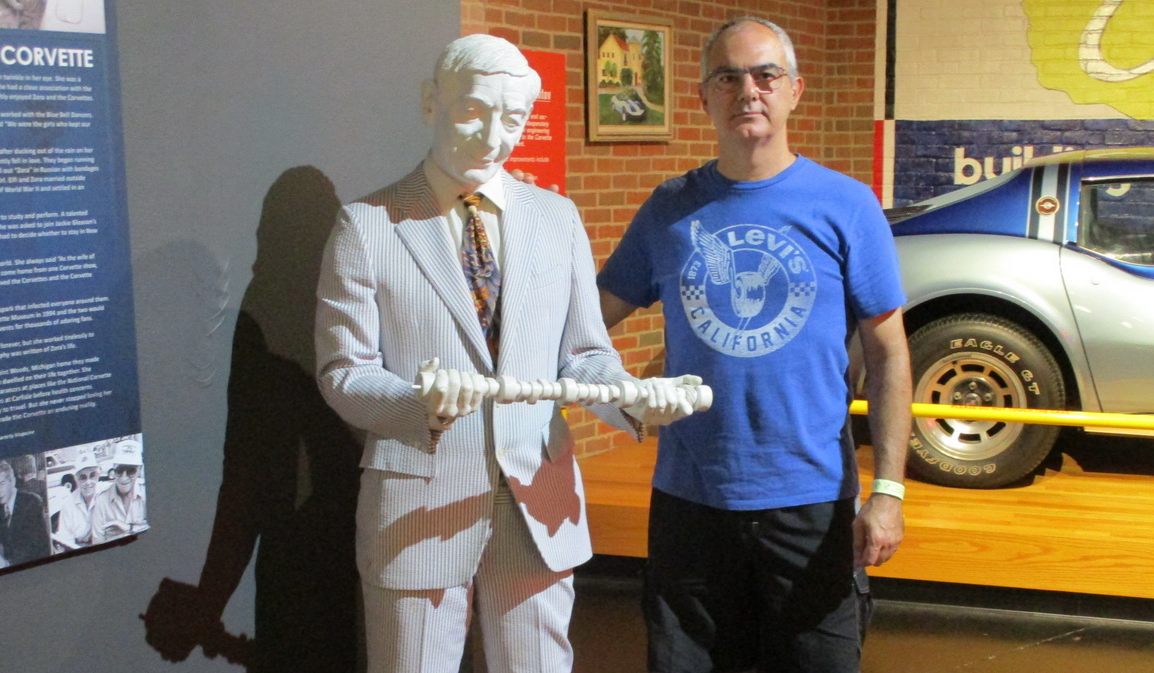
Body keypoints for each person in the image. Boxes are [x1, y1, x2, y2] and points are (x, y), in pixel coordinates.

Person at [315, 33, 700, 673]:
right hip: (419, 505)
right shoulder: (369, 225)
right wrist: (419, 404)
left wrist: (632, 401)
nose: (492, 138)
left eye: (513, 119)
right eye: (473, 110)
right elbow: (343, 374)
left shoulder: (556, 218)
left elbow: (584, 355)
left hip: (539, 499)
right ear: (430, 102)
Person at [597, 17, 913, 673]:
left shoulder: (847, 206)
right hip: (691, 503)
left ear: (794, 89)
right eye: (728, 77)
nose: (748, 90)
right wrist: (614, 392)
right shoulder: (669, 210)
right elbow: (587, 321)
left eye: (766, 74)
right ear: (702, 97)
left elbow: (888, 355)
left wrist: (888, 490)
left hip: (812, 502)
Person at [0, 459, 50, 565]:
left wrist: (8, 563)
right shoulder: (3, 508)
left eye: (1, 484)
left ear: (12, 481)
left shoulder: (31, 502)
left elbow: (36, 546)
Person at [92, 440, 149, 542]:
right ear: (114, 468)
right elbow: (97, 541)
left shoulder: (147, 493)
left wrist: (129, 528)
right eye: (119, 470)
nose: (124, 477)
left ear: (140, 470)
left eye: (131, 471)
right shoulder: (101, 500)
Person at [52, 450, 101, 550]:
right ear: (76, 479)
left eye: (92, 475)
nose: (88, 482)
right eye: (83, 477)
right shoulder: (68, 504)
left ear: (98, 475)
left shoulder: (107, 494)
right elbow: (66, 540)